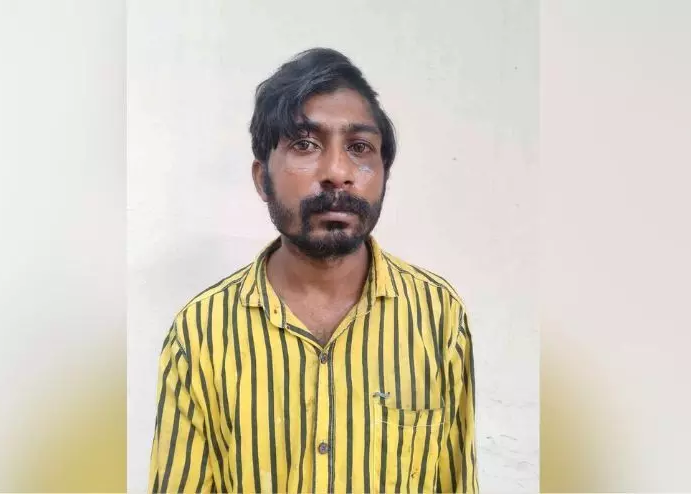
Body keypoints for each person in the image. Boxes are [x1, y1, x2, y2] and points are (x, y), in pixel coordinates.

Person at [149, 47, 478, 494]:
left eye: (359, 147)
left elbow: (455, 482)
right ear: (261, 178)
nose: (338, 172)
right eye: (305, 144)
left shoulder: (437, 316)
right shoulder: (201, 332)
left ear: (383, 174)